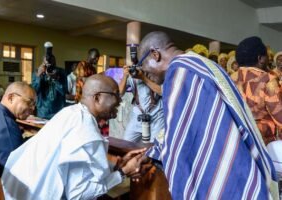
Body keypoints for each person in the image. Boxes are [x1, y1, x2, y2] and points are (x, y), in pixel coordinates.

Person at [136, 32, 278, 199]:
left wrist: (153, 155)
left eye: (144, 67)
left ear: (155, 54)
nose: (145, 73)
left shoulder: (179, 72)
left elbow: (180, 140)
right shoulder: (203, 64)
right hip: (239, 163)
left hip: (224, 173)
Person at [2, 74, 145, 200]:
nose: (120, 100)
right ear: (97, 98)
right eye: (115, 94)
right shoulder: (86, 130)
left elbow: (72, 165)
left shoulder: (71, 112)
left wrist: (115, 166)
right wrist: (122, 173)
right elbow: (78, 194)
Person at [233, 37, 282, 145]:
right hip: (261, 143)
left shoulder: (229, 78)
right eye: (267, 57)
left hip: (235, 139)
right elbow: (280, 117)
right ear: (261, 58)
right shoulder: (267, 80)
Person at [0, 82, 36, 177]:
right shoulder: (7, 127)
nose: (33, 108)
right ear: (11, 98)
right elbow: (17, 171)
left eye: (34, 104)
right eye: (29, 102)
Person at [119, 65, 164, 143]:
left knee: (155, 146)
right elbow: (120, 93)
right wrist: (125, 76)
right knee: (126, 143)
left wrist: (143, 77)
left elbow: (161, 91)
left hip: (157, 115)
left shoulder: (158, 72)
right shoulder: (133, 74)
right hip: (138, 115)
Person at [31, 55, 67, 119]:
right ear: (43, 62)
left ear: (55, 62)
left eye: (52, 63)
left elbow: (64, 91)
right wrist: (39, 76)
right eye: (47, 63)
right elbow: (34, 91)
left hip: (59, 111)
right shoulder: (37, 72)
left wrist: (55, 79)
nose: (50, 66)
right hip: (43, 111)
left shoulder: (61, 72)